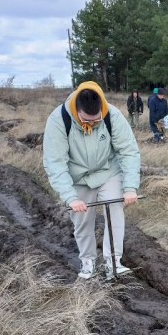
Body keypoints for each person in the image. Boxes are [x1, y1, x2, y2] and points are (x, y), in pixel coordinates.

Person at [42, 81, 140, 280]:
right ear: (76, 111)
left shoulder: (112, 115)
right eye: (87, 121)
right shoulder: (58, 120)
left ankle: (113, 262)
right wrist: (71, 198)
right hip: (78, 178)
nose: (92, 124)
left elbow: (129, 152)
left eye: (97, 121)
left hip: (108, 172)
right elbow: (55, 163)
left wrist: (130, 188)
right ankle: (88, 260)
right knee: (82, 219)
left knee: (115, 210)